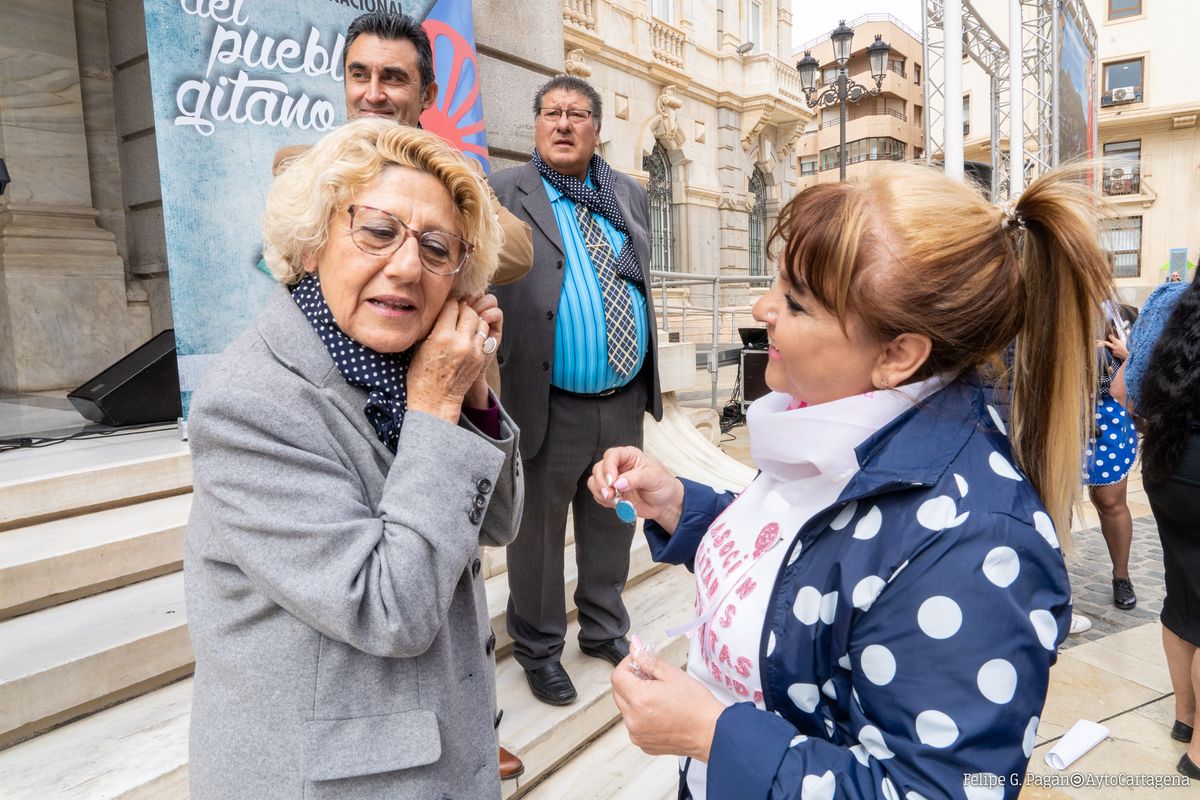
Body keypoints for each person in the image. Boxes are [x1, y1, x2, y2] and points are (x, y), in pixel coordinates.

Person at [588, 161, 1112, 798]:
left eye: (796, 303)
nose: (762, 310)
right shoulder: (846, 424)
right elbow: (813, 563)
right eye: (776, 285)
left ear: (897, 356)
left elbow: (936, 789)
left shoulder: (973, 539)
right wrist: (681, 508)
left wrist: (712, 735)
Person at [186, 120, 523, 800]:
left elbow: (497, 524)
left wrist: (475, 395)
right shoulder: (250, 402)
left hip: (437, 752)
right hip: (334, 779)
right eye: (376, 230)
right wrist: (435, 404)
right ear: (313, 244)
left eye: (437, 247)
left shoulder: (408, 360)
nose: (405, 265)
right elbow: (388, 606)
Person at [491, 75, 662, 706]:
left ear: (597, 129)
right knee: (535, 533)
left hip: (621, 399)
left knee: (614, 519)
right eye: (553, 114)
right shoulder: (504, 191)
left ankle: (602, 626)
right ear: (536, 124)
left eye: (579, 115)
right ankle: (538, 649)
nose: (564, 124)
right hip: (547, 400)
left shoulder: (626, 193)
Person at [1136, 272, 1200, 779]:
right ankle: (1199, 752)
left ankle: (1185, 718)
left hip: (1169, 465)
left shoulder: (1170, 305)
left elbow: (1126, 389)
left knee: (1182, 595)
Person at [1085, 304, 1139, 610]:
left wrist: (1125, 353)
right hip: (1063, 414)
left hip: (1110, 418)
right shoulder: (1054, 307)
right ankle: (1055, 579)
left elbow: (1149, 363)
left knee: (1110, 501)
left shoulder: (1122, 316)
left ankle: (1121, 576)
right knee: (1056, 506)